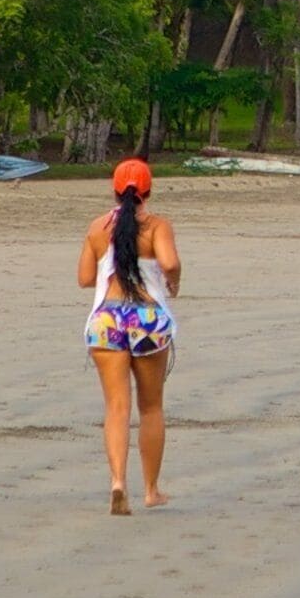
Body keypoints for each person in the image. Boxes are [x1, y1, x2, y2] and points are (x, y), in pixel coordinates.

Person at [76, 157, 183, 514]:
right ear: (148, 191)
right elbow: (168, 263)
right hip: (147, 318)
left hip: (108, 318)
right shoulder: (156, 226)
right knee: (150, 406)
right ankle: (151, 489)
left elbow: (85, 277)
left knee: (116, 407)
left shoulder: (97, 227)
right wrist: (174, 281)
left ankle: (118, 481)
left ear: (115, 189)